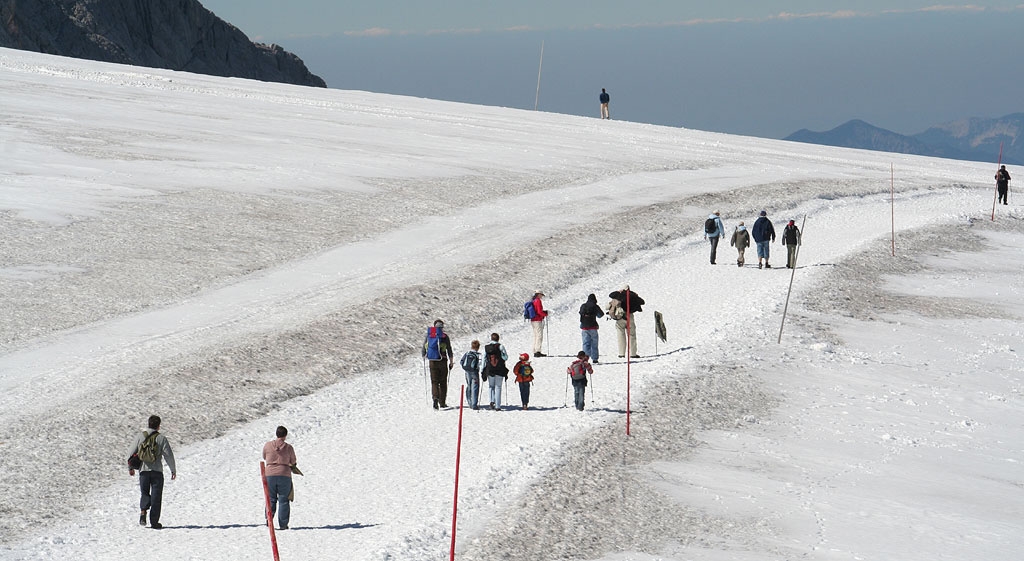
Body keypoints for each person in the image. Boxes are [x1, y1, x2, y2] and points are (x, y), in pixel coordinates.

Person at [127, 414, 176, 529]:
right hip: (157, 471)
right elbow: (169, 455)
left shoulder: (140, 436)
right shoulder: (161, 438)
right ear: (159, 426)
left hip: (143, 470)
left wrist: (130, 468)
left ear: (148, 423)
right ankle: (154, 522)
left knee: (144, 492)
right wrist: (173, 470)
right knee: (156, 496)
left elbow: (130, 453)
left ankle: (143, 511)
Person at [262, 426, 299, 530]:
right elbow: (293, 461)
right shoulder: (288, 447)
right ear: (285, 435)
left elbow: (264, 456)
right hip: (284, 474)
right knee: (283, 500)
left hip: (269, 474)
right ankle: (283, 524)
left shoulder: (268, 445)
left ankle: (269, 520)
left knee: (271, 498)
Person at [422, 319, 454, 409]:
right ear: (442, 327)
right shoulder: (444, 336)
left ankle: (435, 398)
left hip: (432, 361)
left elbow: (424, 348)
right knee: (443, 382)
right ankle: (442, 402)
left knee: (434, 382)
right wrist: (451, 362)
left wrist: (424, 356)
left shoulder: (429, 335)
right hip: (442, 361)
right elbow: (449, 350)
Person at [608, 285, 644, 358]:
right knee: (632, 335)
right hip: (630, 316)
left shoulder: (618, 295)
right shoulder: (633, 295)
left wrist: (619, 291)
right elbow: (642, 302)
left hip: (620, 316)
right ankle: (633, 354)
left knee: (620, 335)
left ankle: (621, 354)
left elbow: (610, 295)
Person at [481, 332, 509, 410]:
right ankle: (498, 406)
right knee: (498, 387)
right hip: (500, 369)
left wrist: (482, 369)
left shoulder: (487, 347)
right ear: (498, 339)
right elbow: (506, 357)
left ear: (491, 338)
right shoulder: (501, 346)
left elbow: (484, 358)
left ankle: (491, 402)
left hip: (490, 369)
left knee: (491, 386)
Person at [578, 293, 604, 363]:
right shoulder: (595, 306)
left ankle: (585, 358)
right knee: (594, 343)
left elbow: (580, 313)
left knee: (586, 343)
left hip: (584, 327)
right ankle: (595, 359)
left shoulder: (583, 305)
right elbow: (600, 315)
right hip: (593, 327)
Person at [460, 340, 482, 410]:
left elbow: (461, 361)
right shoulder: (478, 355)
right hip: (475, 372)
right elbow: (480, 364)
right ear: (478, 347)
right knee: (475, 387)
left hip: (467, 372)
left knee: (469, 386)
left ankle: (469, 402)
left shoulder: (467, 353)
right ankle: (474, 404)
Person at [529, 291, 548, 357]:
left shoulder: (533, 301)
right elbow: (539, 311)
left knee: (536, 335)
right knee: (539, 336)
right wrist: (545, 314)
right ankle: (537, 351)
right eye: (541, 295)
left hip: (533, 320)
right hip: (537, 320)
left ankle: (535, 350)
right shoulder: (538, 301)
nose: (542, 296)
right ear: (538, 294)